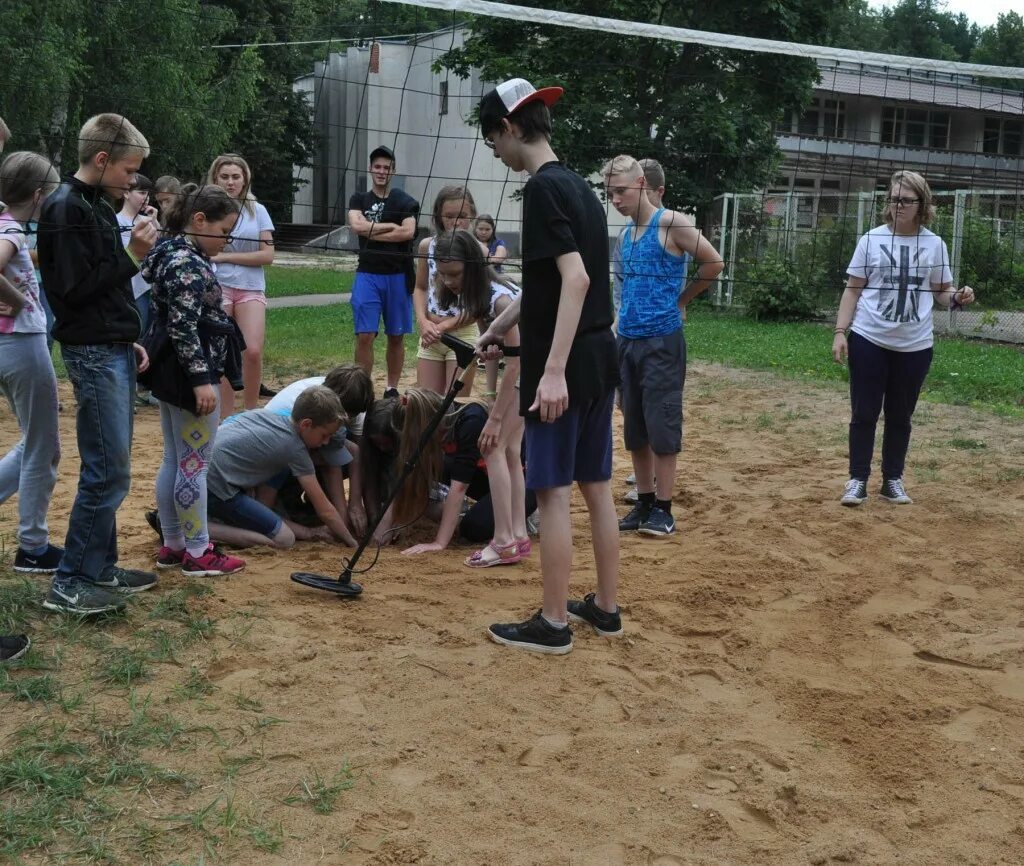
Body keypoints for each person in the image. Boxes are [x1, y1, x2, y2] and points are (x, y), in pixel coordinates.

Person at [476, 78, 621, 654]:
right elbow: (547, 286)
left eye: (492, 140)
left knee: (554, 494)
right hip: (597, 358)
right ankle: (606, 610)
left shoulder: (539, 192)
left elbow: (577, 281)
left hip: (564, 367)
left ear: (510, 128)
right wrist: (497, 327)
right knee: (598, 489)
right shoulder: (582, 189)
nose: (494, 152)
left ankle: (555, 623)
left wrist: (552, 370)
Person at [37, 113, 160, 615]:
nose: (133, 180)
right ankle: (70, 581)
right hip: (90, 352)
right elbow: (71, 290)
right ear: (103, 159)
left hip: (110, 346)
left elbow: (103, 290)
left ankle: (100, 565)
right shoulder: (66, 207)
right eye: (129, 169)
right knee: (107, 471)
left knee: (112, 463)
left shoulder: (97, 205)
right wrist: (133, 254)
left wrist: (125, 335)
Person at [833, 170, 975, 507]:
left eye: (906, 200)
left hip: (915, 346)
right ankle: (857, 480)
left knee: (900, 416)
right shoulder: (870, 240)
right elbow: (852, 291)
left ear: (921, 204)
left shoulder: (934, 244)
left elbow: (941, 291)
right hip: (869, 339)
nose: (898, 205)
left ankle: (892, 480)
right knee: (864, 413)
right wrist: (841, 332)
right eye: (894, 199)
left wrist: (957, 297)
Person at [604, 155, 724, 537]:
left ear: (642, 184)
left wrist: (683, 300)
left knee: (663, 425)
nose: (615, 199)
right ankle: (643, 501)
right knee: (635, 428)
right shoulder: (625, 235)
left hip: (662, 340)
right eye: (609, 193)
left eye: (620, 191)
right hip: (629, 339)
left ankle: (664, 509)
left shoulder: (670, 222)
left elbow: (714, 263)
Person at [141, 182, 246, 577]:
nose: (227, 240)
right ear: (198, 220)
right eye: (223, 232)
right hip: (188, 375)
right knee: (193, 464)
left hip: (169, 371)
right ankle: (199, 552)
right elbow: (184, 326)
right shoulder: (187, 263)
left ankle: (173, 544)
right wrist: (204, 380)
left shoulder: (170, 249)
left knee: (175, 458)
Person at [419, 228, 530, 567]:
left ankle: (504, 540)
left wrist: (496, 417)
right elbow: (499, 344)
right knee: (509, 450)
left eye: (455, 274)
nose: (449, 281)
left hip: (535, 371)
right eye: (443, 273)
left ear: (473, 267)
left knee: (492, 445)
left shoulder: (498, 298)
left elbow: (519, 358)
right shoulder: (478, 294)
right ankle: (518, 535)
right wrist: (489, 350)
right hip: (532, 367)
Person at [0, 151, 63, 574]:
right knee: (45, 446)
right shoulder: (13, 230)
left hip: (13, 345)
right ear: (38, 195)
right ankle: (34, 546)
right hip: (21, 344)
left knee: (34, 439)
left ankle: (33, 542)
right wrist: (19, 300)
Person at [205, 386, 355, 549]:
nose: (325, 442)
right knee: (284, 539)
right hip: (218, 487)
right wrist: (351, 542)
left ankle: (205, 520)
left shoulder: (270, 416)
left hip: (202, 473)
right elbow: (325, 510)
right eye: (324, 435)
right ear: (306, 424)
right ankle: (201, 529)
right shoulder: (295, 448)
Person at [264, 363, 374, 540]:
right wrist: (340, 525)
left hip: (303, 443)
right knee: (271, 513)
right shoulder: (307, 406)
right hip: (275, 451)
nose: (347, 420)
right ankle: (285, 501)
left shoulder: (353, 409)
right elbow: (329, 463)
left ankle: (312, 505)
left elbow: (352, 454)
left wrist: (354, 504)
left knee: (345, 452)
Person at [347, 145, 419, 397]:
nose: (381, 171)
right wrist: (389, 226)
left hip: (398, 275)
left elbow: (408, 232)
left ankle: (391, 387)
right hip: (367, 273)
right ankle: (361, 389)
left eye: (386, 167)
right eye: (377, 166)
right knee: (365, 335)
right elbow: (356, 226)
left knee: (396, 336)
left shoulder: (404, 200)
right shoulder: (359, 199)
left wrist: (372, 229)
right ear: (370, 169)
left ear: (393, 171)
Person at [207, 153, 275, 412]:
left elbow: (267, 254)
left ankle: (250, 411)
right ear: (215, 178)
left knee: (253, 351)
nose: (230, 182)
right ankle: (224, 417)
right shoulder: (207, 212)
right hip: (217, 286)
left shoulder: (258, 211)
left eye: (236, 176)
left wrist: (224, 256)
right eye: (224, 176)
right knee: (222, 352)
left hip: (250, 288)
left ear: (245, 180)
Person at [414, 185, 481, 394]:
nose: (456, 221)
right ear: (439, 217)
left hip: (463, 333)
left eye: (462, 215)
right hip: (431, 334)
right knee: (426, 403)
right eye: (449, 216)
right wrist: (423, 322)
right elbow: (420, 287)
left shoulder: (478, 250)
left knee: (454, 405)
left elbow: (478, 303)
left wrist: (444, 327)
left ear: (472, 216)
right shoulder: (427, 246)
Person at [118, 172, 160, 407]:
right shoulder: (116, 221)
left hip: (148, 288)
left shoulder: (147, 221)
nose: (146, 198)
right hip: (130, 289)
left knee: (148, 337)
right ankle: (128, 390)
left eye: (147, 193)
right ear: (126, 193)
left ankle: (145, 385)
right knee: (133, 336)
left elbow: (161, 248)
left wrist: (155, 222)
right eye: (141, 192)